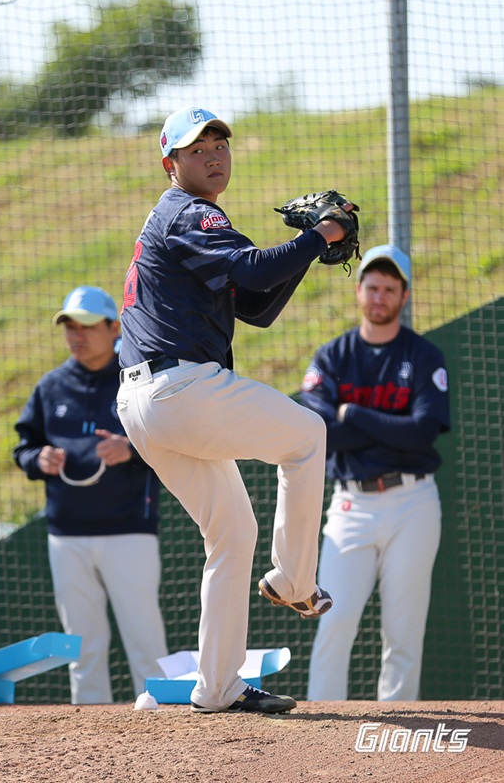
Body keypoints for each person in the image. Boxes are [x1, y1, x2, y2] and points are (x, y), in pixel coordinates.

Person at [116, 105, 356, 714]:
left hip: (146, 401)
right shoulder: (191, 211)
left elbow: (256, 306)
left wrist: (305, 252)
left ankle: (217, 687)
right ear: (171, 164)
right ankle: (294, 582)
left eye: (220, 142)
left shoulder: (188, 220)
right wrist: (318, 236)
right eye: (198, 148)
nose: (214, 154)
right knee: (307, 434)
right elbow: (253, 269)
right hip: (179, 390)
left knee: (232, 532)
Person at [301, 244, 450, 701]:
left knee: (403, 629)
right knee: (335, 620)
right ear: (359, 291)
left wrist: (353, 413)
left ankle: (396, 742)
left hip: (413, 502)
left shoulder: (425, 356)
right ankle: (324, 733)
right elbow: (320, 433)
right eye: (372, 287)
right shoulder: (332, 356)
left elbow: (423, 432)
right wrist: (387, 427)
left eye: (390, 288)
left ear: (404, 296)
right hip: (352, 505)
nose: (379, 296)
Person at [13, 285, 168, 705]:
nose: (76, 335)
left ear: (113, 327)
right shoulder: (51, 387)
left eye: (85, 326)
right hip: (66, 537)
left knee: (146, 643)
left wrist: (130, 449)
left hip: (130, 532)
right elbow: (23, 446)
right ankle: (88, 744)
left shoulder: (137, 378)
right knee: (81, 649)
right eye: (68, 326)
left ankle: (168, 733)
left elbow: (170, 436)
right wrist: (37, 458)